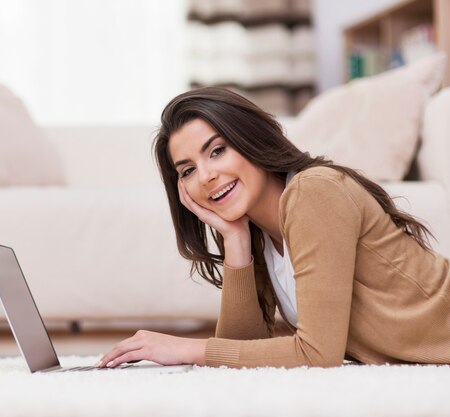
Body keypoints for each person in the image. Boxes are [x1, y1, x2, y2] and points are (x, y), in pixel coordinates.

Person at [96, 87, 450, 369]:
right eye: (187, 170)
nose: (205, 177)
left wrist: (186, 348)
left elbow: (317, 353)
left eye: (217, 151)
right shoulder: (260, 230)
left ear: (251, 139)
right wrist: (235, 239)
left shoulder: (313, 191)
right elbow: (242, 353)